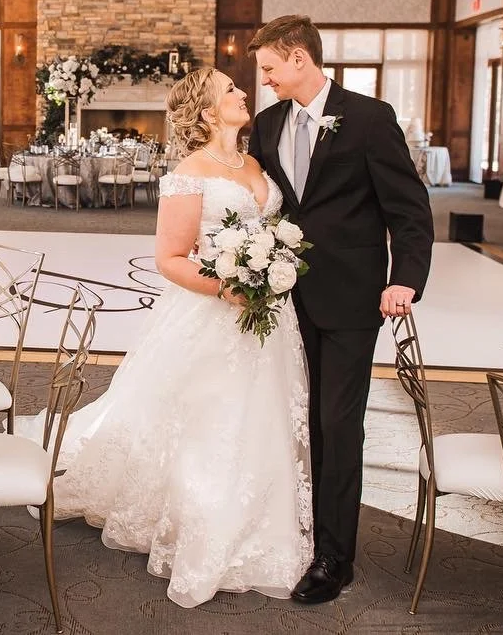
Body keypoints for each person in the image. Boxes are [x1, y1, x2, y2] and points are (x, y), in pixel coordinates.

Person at [52, 66, 313, 607]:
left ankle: (264, 518)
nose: (245, 93)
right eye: (232, 91)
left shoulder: (255, 163)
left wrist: (271, 271)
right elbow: (169, 259)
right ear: (206, 110)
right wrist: (227, 288)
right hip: (213, 315)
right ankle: (203, 523)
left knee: (262, 417)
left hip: (268, 319)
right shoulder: (190, 173)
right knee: (208, 423)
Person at [246, 14, 433, 605]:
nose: (267, 81)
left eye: (271, 68)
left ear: (299, 58)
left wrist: (404, 279)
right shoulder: (269, 125)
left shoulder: (370, 119)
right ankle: (299, 524)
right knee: (296, 419)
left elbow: (410, 210)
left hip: (351, 299)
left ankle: (334, 556)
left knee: (337, 422)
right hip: (280, 300)